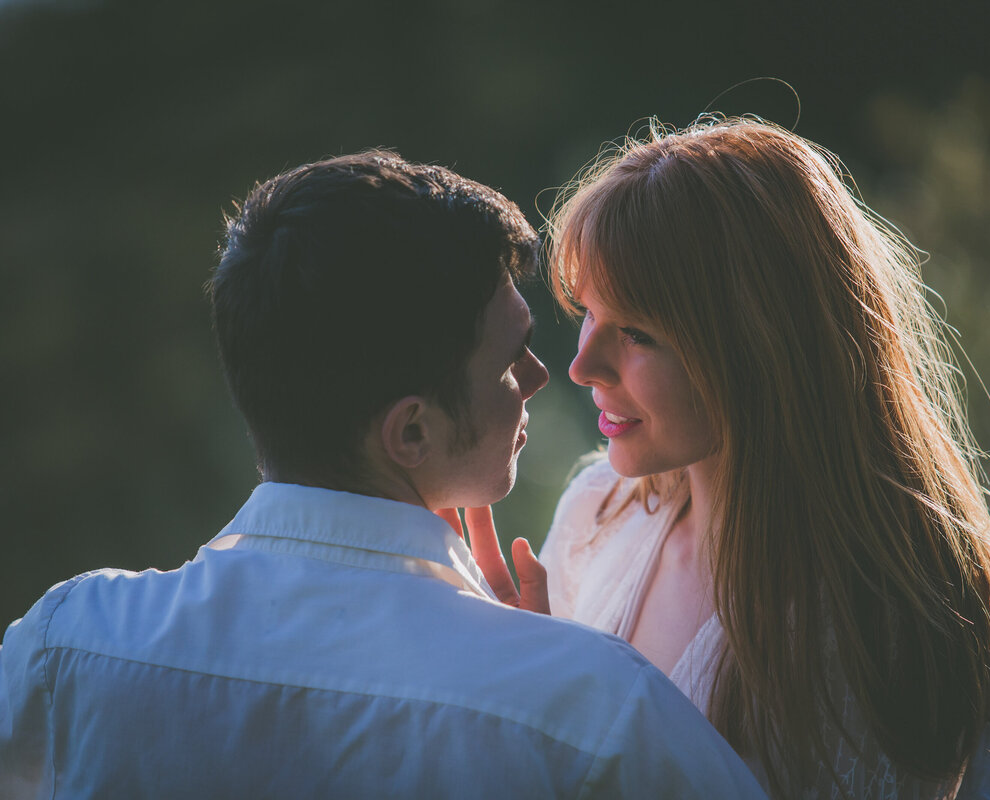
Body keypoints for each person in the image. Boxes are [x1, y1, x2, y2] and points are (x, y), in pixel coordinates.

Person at [0, 151, 767, 798]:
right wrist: (538, 674)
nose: (543, 374)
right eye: (508, 359)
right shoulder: (597, 712)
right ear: (411, 430)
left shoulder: (68, 648)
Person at [535, 118, 990, 799]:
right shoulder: (596, 514)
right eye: (586, 312)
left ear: (760, 345)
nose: (580, 366)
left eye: (636, 333)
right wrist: (530, 680)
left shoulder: (870, 614)